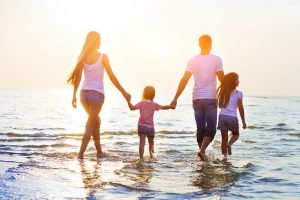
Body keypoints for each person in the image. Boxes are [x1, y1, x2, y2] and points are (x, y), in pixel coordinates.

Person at [67, 31, 131, 159]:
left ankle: (99, 151)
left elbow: (78, 78)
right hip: (97, 94)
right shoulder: (103, 57)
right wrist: (124, 92)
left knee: (96, 121)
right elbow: (112, 76)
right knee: (90, 124)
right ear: (96, 41)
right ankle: (80, 155)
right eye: (100, 39)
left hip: (84, 94)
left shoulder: (83, 56)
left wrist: (74, 95)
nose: (101, 42)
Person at [171, 34, 224, 161]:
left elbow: (184, 80)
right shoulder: (216, 59)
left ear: (199, 44)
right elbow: (222, 80)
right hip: (211, 98)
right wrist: (229, 95)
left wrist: (175, 98)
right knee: (211, 128)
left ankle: (202, 155)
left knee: (200, 128)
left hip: (196, 98)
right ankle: (202, 151)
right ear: (210, 44)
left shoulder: (192, 60)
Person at [127, 86, 173, 160]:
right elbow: (163, 107)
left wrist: (128, 101)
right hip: (150, 127)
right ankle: (151, 156)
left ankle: (141, 158)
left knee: (142, 143)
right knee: (151, 142)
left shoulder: (141, 103)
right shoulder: (154, 104)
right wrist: (171, 106)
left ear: (144, 94)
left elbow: (132, 108)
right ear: (153, 95)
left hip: (142, 126)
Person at [217, 72, 246, 157]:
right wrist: (243, 121)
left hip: (222, 116)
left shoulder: (223, 92)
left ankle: (224, 158)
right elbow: (241, 108)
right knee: (236, 135)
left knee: (223, 139)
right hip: (232, 117)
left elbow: (220, 105)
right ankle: (229, 144)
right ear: (234, 82)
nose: (238, 81)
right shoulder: (238, 93)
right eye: (237, 79)